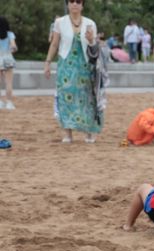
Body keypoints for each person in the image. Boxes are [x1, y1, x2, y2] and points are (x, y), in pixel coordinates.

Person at [44, 0, 103, 144]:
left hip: (85, 65)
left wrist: (91, 40)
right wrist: (47, 62)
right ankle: (67, 134)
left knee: (88, 98)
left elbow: (94, 48)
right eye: (71, 1)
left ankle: (89, 134)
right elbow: (55, 43)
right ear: (68, 4)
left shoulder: (90, 23)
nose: (75, 4)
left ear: (82, 5)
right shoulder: (60, 22)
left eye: (78, 1)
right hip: (66, 65)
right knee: (65, 97)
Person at [0, 16, 17, 111]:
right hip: (8, 57)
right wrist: (12, 50)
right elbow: (13, 46)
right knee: (8, 82)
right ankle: (9, 103)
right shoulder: (10, 34)